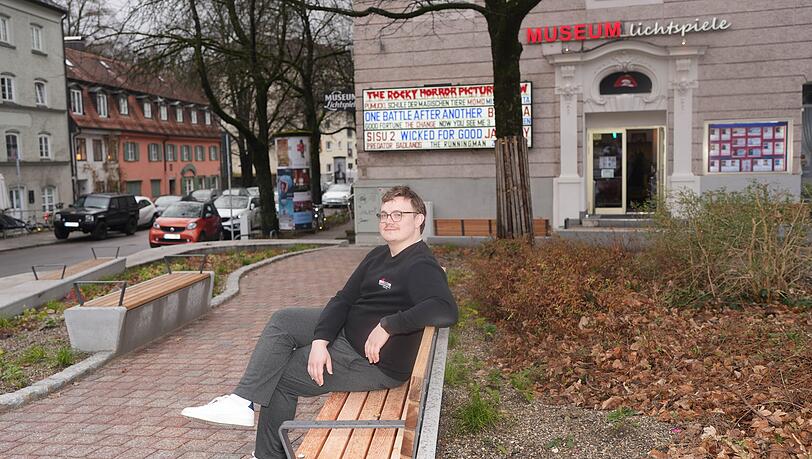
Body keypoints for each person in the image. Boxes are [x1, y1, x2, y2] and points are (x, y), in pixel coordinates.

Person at [181, 185, 458, 459]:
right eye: (384, 214)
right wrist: (320, 340)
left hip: (370, 362)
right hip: (348, 336)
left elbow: (445, 310)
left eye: (398, 214)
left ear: (419, 218)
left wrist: (388, 325)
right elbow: (343, 299)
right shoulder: (379, 255)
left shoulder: (420, 265)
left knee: (280, 375)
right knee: (283, 319)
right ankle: (241, 402)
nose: (388, 220)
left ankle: (266, 454)